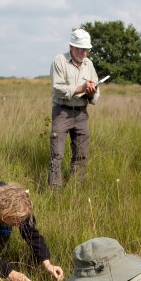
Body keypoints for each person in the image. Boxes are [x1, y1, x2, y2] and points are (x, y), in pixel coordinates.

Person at [48, 28, 100, 190]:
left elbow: (95, 93)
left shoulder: (89, 64)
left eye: (86, 49)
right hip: (62, 112)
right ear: (71, 47)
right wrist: (81, 88)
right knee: (57, 155)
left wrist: (91, 92)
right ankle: (54, 194)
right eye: (80, 48)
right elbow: (58, 88)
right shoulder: (59, 61)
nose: (83, 53)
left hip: (81, 113)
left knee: (81, 155)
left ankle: (75, 191)